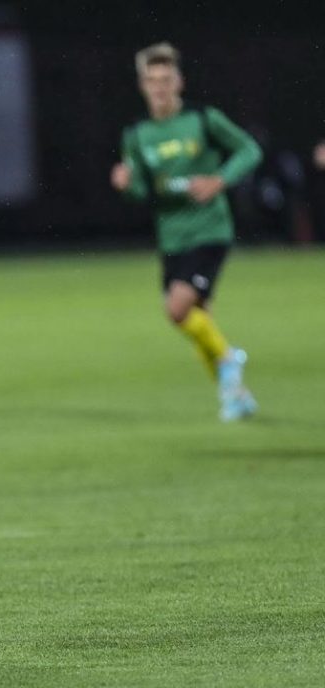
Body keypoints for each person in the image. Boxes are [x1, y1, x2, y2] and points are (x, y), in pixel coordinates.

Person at [110, 42, 262, 421]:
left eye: (166, 79)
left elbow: (249, 150)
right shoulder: (137, 134)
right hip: (171, 235)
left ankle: (229, 360)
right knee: (200, 321)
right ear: (142, 86)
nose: (159, 88)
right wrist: (127, 184)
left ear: (179, 82)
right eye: (152, 81)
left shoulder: (203, 119)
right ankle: (235, 396)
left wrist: (219, 180)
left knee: (176, 310)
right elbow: (143, 191)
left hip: (209, 229)